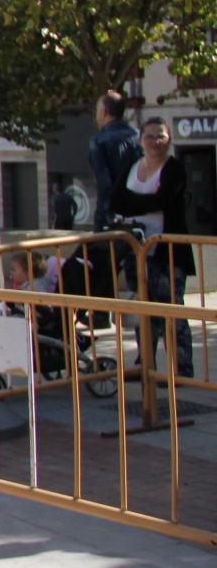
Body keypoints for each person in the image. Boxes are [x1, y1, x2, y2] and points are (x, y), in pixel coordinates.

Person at [110, 117, 195, 378]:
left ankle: (181, 370)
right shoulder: (131, 166)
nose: (155, 141)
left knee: (172, 310)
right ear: (140, 140)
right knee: (143, 309)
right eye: (149, 136)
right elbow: (115, 201)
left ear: (169, 139)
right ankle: (145, 364)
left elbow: (162, 201)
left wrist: (134, 201)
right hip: (136, 249)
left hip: (168, 250)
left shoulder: (174, 168)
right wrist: (146, 200)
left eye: (161, 136)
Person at [88, 89, 142, 231]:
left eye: (97, 110)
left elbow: (104, 183)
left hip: (112, 215)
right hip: (139, 208)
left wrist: (110, 215)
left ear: (104, 112)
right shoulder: (138, 136)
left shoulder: (98, 140)